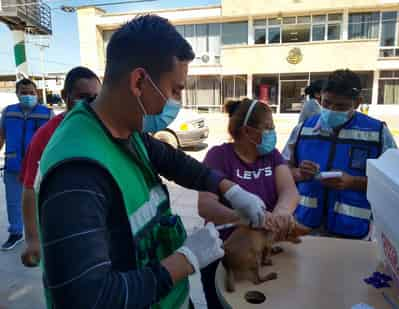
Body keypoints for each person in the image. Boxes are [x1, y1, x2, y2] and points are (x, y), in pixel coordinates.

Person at [36, 15, 267, 308]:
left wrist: (230, 189)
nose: (176, 103)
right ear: (139, 81)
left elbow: (175, 161)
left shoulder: (125, 129)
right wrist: (185, 260)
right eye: (175, 90)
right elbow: (87, 299)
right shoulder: (77, 173)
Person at [198, 98, 299, 309]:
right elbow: (205, 205)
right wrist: (240, 217)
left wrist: (281, 211)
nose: (273, 132)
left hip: (261, 254)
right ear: (247, 131)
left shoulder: (272, 156)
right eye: (268, 127)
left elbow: (289, 190)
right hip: (224, 258)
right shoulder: (219, 156)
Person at [287, 69, 397, 239]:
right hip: (304, 228)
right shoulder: (303, 129)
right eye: (326, 103)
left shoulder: (377, 133)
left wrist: (354, 182)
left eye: (340, 106)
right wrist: (298, 173)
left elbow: (394, 185)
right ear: (320, 97)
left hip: (354, 234)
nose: (331, 110)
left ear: (358, 102)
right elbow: (282, 171)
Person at [20, 67, 101, 267]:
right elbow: (30, 188)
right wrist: (32, 240)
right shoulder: (47, 136)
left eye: (95, 97)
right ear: (66, 96)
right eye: (83, 97)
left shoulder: (104, 129)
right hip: (62, 229)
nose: (90, 103)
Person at [0, 79, 53, 250]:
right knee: (13, 202)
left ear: (36, 93)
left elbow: (54, 140)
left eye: (31, 92)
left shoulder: (47, 113)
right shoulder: (8, 112)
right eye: (23, 92)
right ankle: (16, 233)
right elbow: (1, 136)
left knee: (40, 201)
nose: (28, 96)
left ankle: (41, 235)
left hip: (37, 167)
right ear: (17, 93)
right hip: (13, 164)